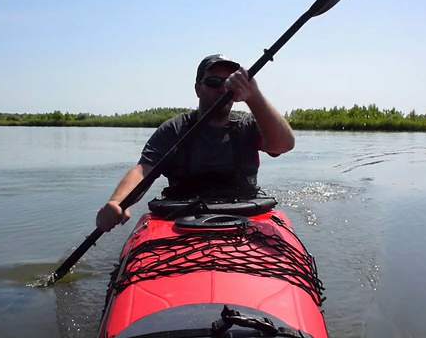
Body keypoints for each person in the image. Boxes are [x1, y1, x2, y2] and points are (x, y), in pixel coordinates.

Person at [96, 54, 295, 232]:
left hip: (244, 213)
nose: (222, 89)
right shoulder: (174, 129)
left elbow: (284, 144)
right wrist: (117, 202)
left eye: (228, 84)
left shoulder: (248, 125)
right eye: (214, 82)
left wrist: (254, 96)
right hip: (182, 218)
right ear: (198, 88)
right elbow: (143, 170)